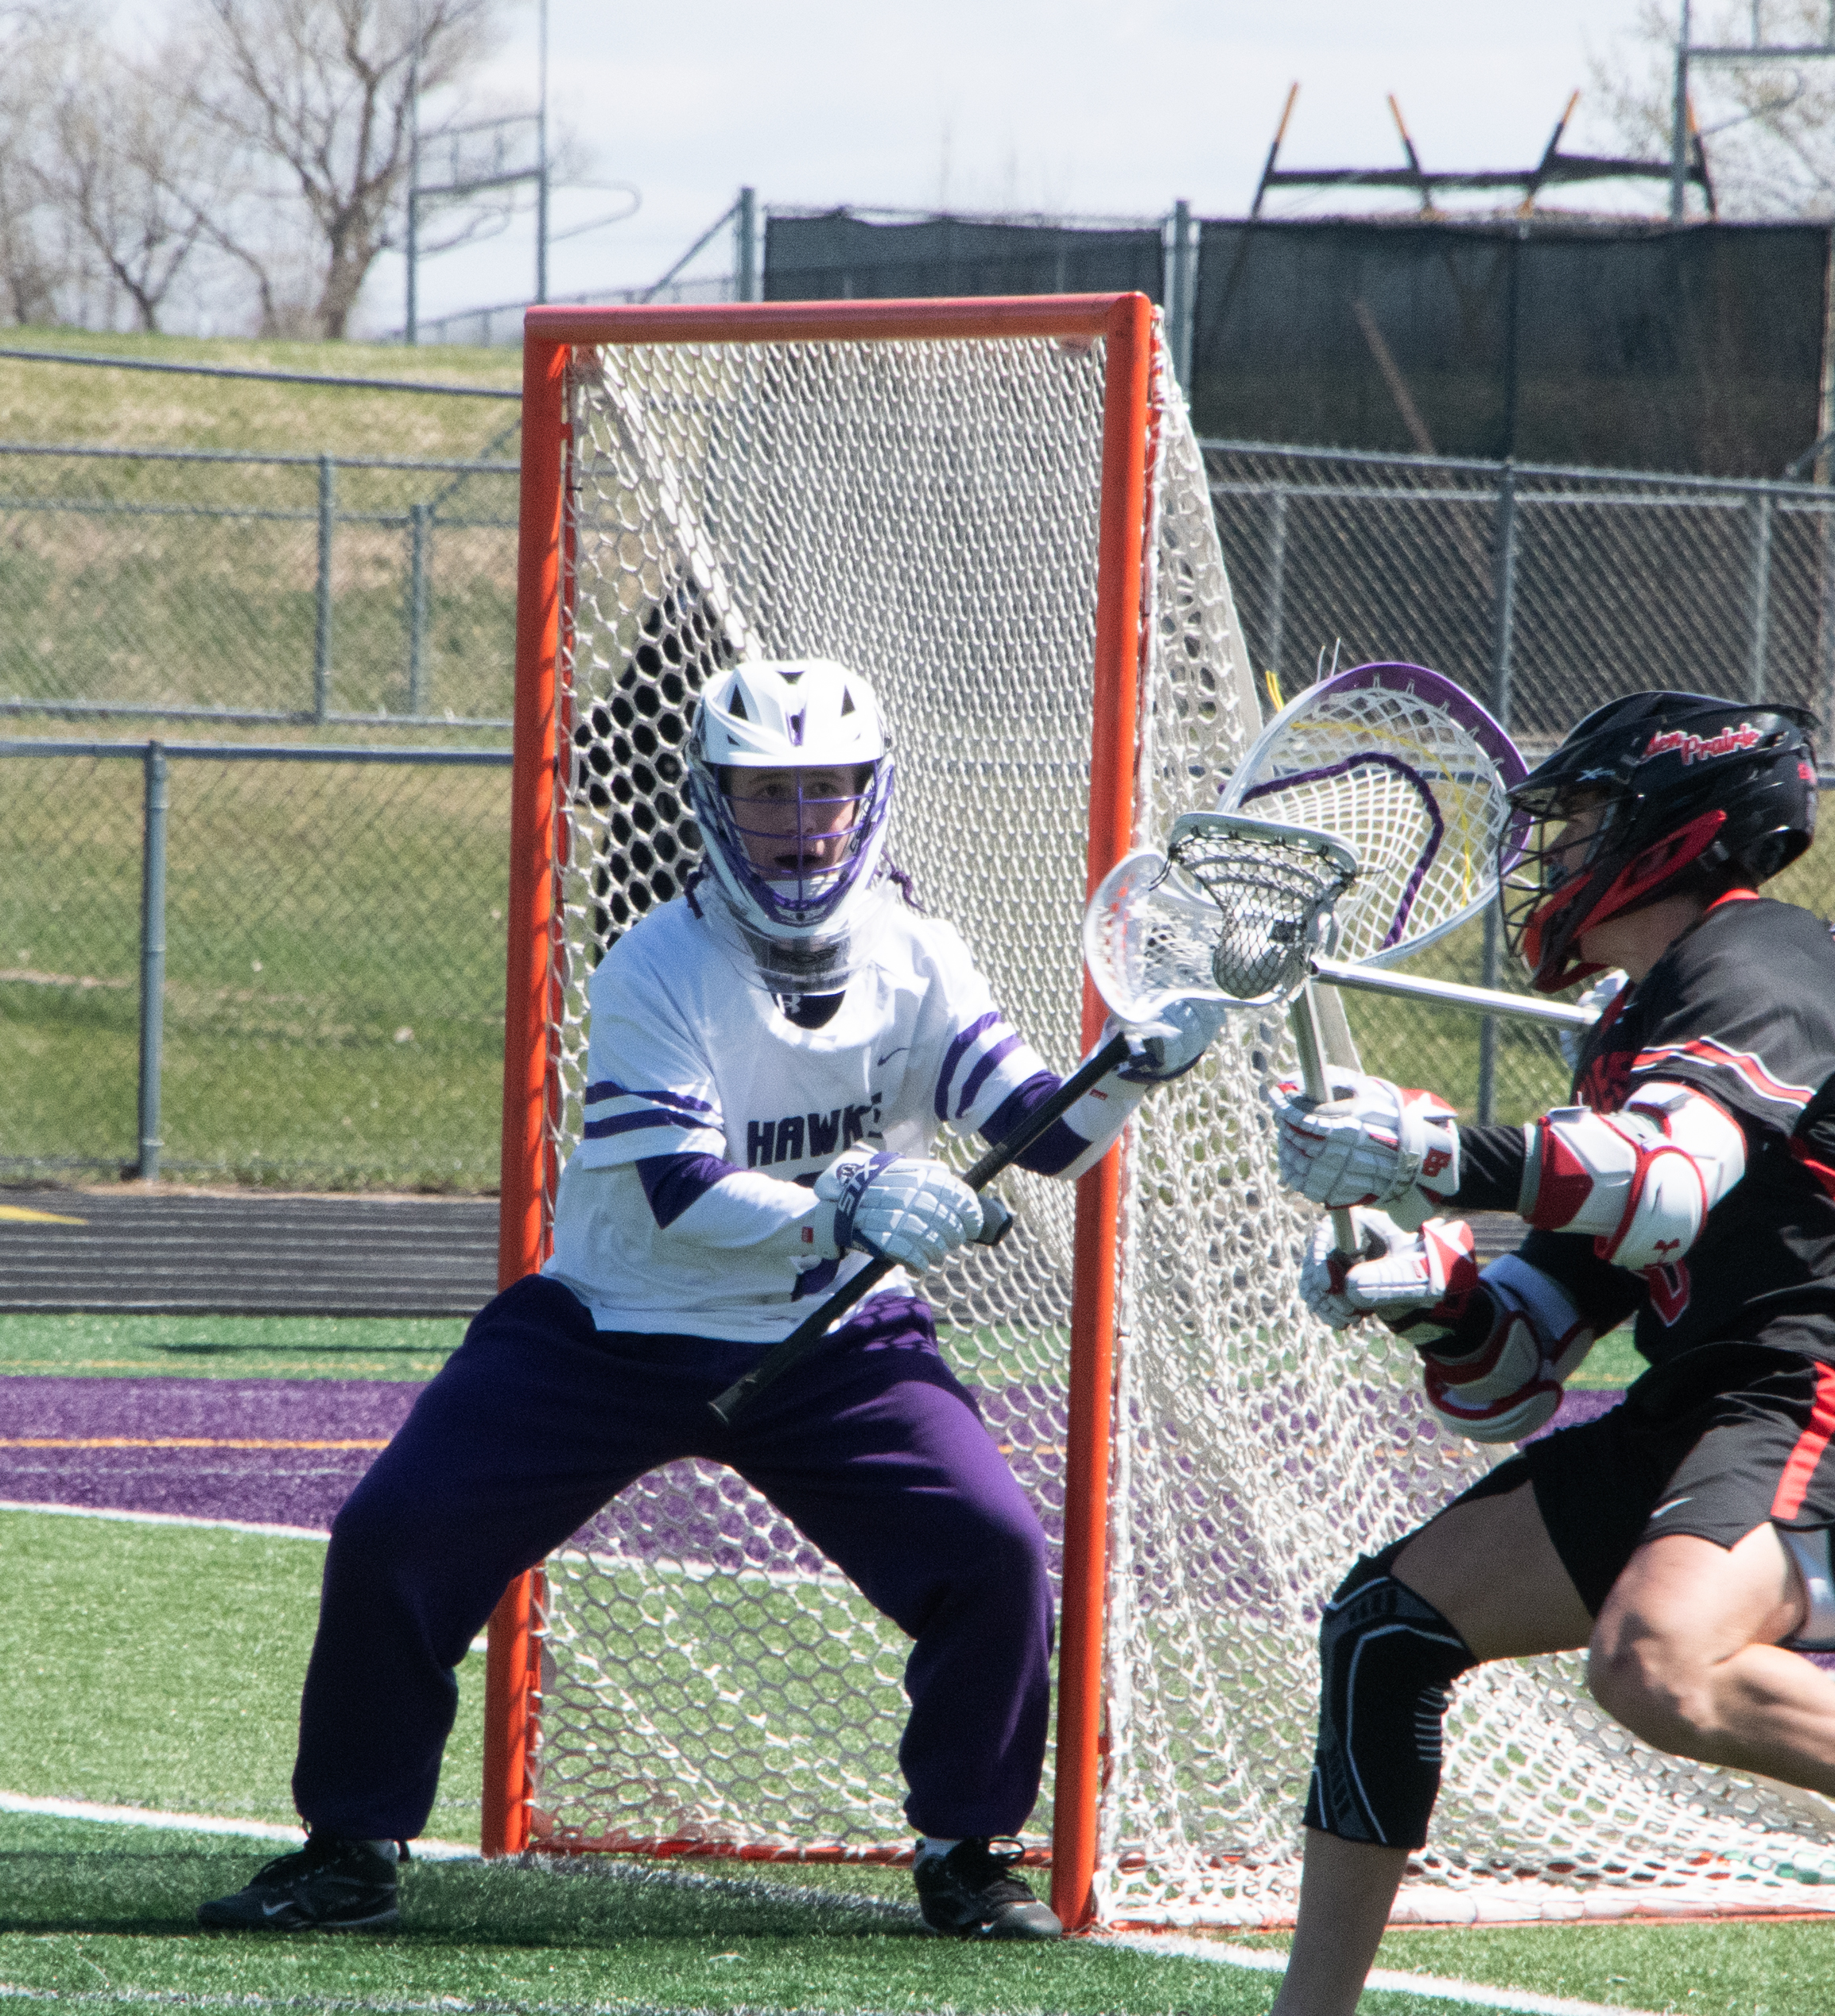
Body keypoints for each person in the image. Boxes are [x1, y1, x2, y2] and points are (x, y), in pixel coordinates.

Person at [1110, 689, 1835, 2016]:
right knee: (1385, 1630)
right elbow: (1510, 1374)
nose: (1558, 856)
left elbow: (1667, 1181)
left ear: (1673, 830)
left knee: (1654, 1667)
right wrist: (1425, 1286)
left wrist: (1441, 1150)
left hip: (1826, 1373)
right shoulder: (1630, 1032)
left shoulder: (1758, 952)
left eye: (1584, 822)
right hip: (1700, 1394)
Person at [200, 658, 1219, 1942]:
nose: (801, 821)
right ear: (712, 800)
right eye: (768, 793)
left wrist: (1130, 1068)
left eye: (827, 789)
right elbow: (682, 1190)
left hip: (837, 1346)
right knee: (394, 1537)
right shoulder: (654, 964)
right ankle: (350, 1844)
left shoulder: (922, 955)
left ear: (870, 793)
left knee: (994, 1553)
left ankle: (969, 1851)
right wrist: (849, 1205)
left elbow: (1042, 1135)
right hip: (609, 1330)